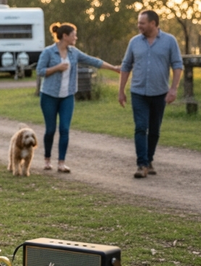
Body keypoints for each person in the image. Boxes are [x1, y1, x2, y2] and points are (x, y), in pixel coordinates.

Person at [36, 22, 121, 172]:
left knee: (65, 129)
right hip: (49, 95)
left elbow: (93, 61)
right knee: (50, 130)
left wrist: (114, 68)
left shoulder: (74, 53)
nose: (76, 37)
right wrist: (57, 68)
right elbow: (40, 71)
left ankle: (61, 163)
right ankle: (47, 160)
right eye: (74, 34)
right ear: (65, 36)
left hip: (67, 96)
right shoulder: (48, 52)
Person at [118, 10, 184, 178]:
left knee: (154, 130)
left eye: (142, 23)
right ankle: (142, 165)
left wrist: (174, 89)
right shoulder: (134, 42)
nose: (139, 26)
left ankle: (149, 160)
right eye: (139, 22)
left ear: (153, 23)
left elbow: (177, 65)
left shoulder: (169, 41)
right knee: (140, 127)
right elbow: (126, 66)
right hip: (138, 92)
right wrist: (121, 91)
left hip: (160, 93)